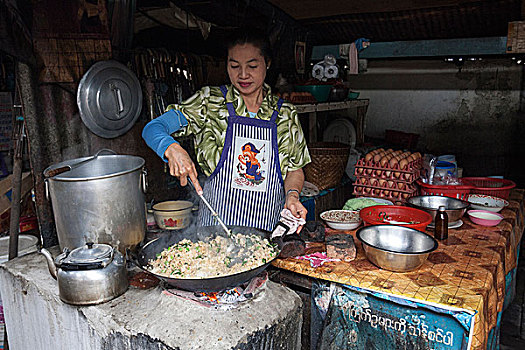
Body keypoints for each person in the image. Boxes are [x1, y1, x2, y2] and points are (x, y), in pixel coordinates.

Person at [142, 28, 311, 233]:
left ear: (267, 62)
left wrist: (292, 196)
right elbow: (153, 128)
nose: (243, 75)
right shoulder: (209, 102)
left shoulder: (285, 113)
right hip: (214, 231)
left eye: (252, 66)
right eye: (234, 66)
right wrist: (171, 148)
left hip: (268, 232)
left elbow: (295, 168)